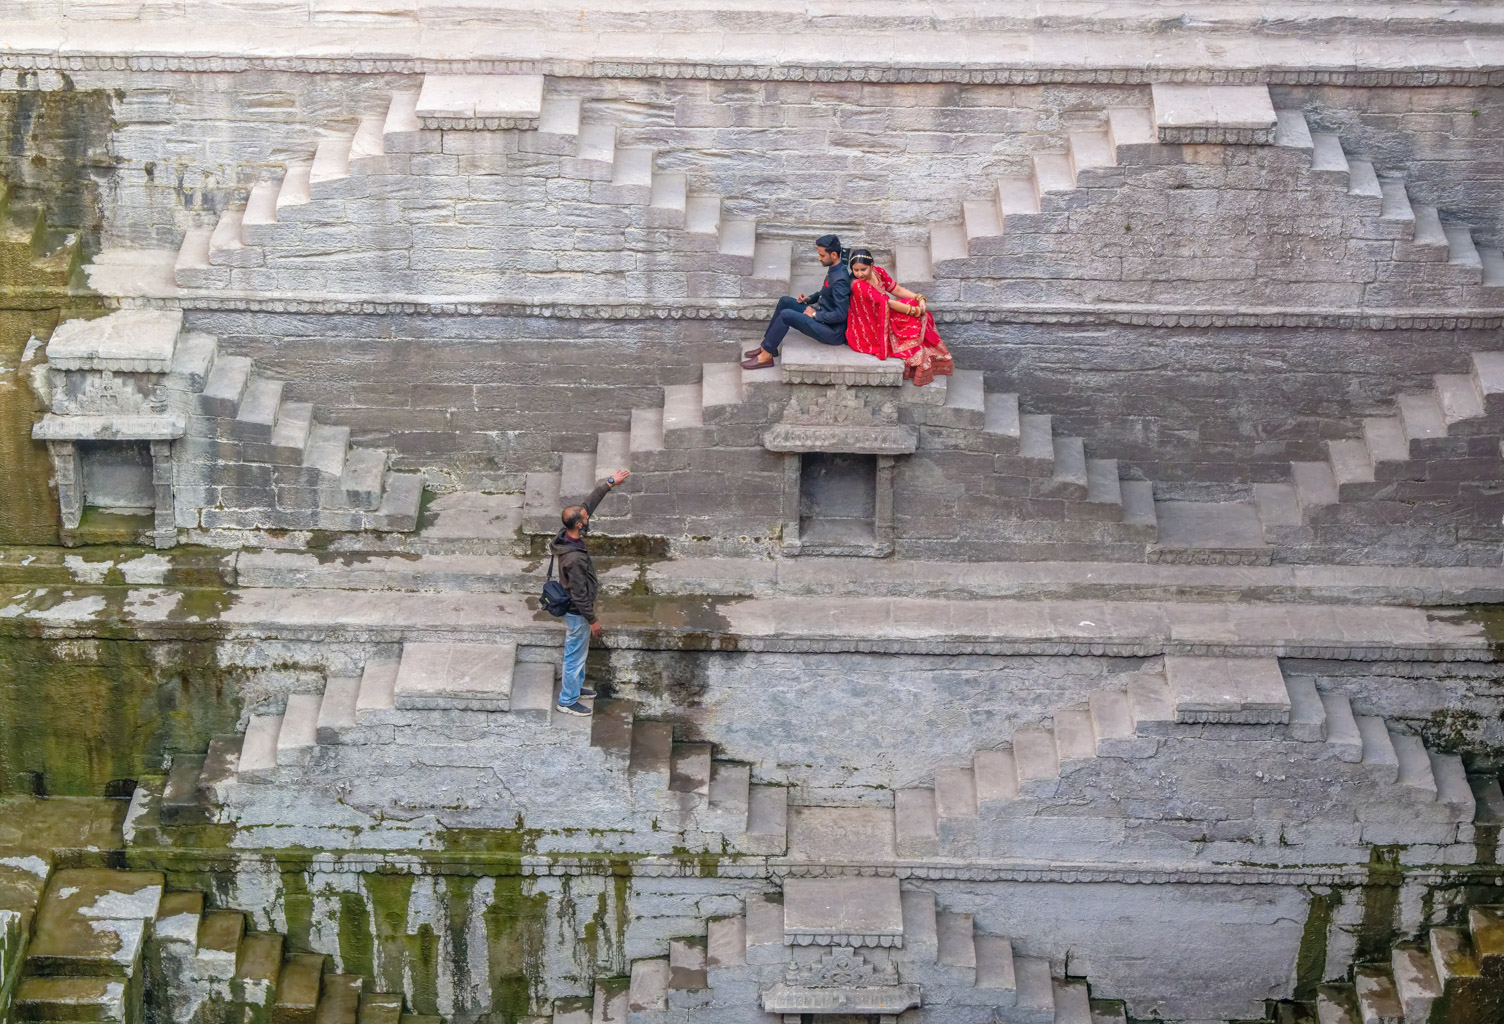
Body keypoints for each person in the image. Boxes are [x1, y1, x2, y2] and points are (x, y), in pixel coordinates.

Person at [550, 468, 631, 717]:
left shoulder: (566, 535)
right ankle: (567, 700)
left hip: (576, 610)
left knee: (579, 651)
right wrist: (592, 620)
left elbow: (588, 504)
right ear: (579, 524)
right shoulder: (573, 558)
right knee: (575, 654)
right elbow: (578, 594)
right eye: (585, 516)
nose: (588, 515)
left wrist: (609, 483)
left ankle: (574, 688)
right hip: (577, 612)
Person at [845, 248, 954, 387]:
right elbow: (887, 302)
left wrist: (918, 297)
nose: (859, 273)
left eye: (863, 269)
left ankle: (927, 351)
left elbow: (896, 289)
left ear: (872, 265)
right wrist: (913, 310)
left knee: (919, 313)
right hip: (872, 326)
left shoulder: (878, 272)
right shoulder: (859, 285)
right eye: (855, 270)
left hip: (885, 313)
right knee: (914, 320)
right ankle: (920, 356)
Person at [741, 233, 852, 370]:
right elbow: (825, 292)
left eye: (822, 255)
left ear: (834, 255)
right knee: (785, 301)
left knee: (786, 315)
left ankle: (766, 357)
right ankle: (768, 346)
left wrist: (815, 315)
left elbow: (841, 314)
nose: (819, 258)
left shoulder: (840, 278)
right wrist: (809, 298)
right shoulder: (834, 269)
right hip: (822, 316)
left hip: (831, 332)